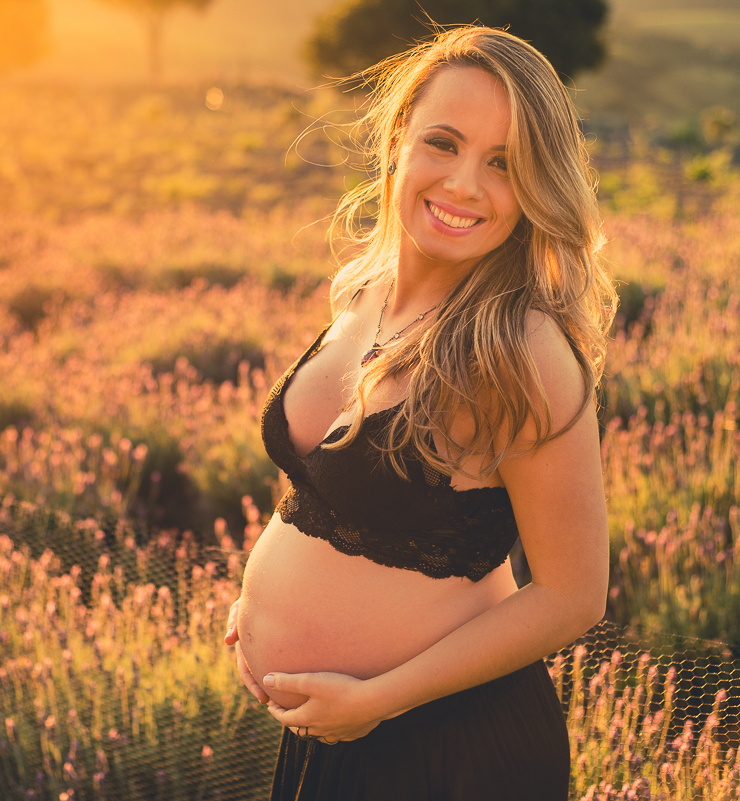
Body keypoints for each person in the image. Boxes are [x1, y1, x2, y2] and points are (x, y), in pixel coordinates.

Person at [221, 25, 616, 801]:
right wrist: (260, 599)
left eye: (504, 164)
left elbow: (574, 594)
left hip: (446, 750)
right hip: (334, 734)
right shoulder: (364, 293)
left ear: (538, 186)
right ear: (398, 137)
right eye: (444, 143)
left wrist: (376, 698)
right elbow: (326, 485)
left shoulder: (521, 348)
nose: (465, 184)